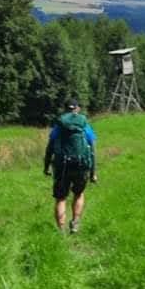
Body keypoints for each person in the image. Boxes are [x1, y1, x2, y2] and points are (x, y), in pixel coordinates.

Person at [44, 99, 97, 234]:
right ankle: (75, 223)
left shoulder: (59, 125)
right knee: (79, 194)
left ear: (65, 109)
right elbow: (91, 149)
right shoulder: (84, 125)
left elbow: (50, 148)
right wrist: (93, 172)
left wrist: (46, 166)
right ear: (77, 109)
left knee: (61, 198)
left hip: (62, 166)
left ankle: (61, 231)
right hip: (81, 165)